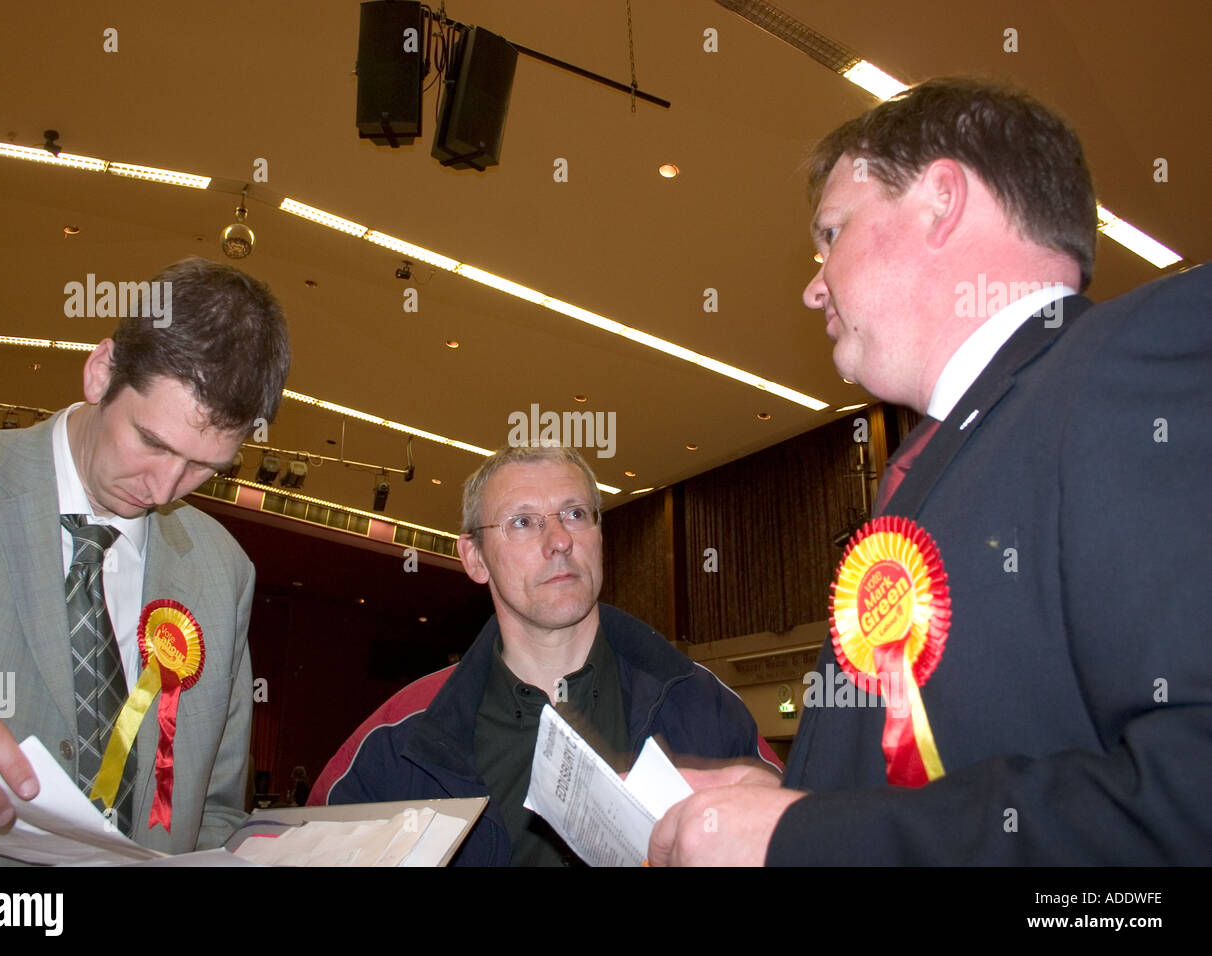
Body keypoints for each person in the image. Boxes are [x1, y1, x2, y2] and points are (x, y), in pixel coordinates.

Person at [649, 78, 1211, 865]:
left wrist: (803, 839)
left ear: (941, 198)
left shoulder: (1145, 359)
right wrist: (786, 796)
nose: (814, 283)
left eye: (832, 232)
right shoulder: (936, 463)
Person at [0, 256, 291, 864]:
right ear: (101, 372)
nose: (165, 489)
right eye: (152, 442)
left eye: (204, 468)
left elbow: (214, 812)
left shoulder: (225, 572)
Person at [310, 444, 782, 865]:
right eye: (522, 522)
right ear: (475, 558)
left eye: (575, 514)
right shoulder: (398, 741)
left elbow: (804, 839)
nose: (560, 541)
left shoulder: (702, 705)